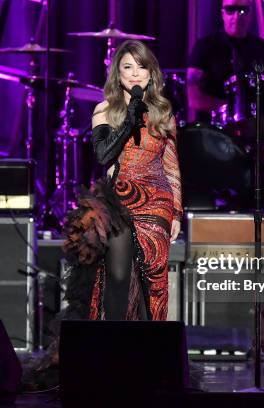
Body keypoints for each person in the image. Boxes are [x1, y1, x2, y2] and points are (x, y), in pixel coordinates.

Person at [63, 40, 182, 321]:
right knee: (117, 276)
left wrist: (176, 211)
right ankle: (115, 349)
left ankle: (148, 352)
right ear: (118, 72)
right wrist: (129, 118)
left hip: (156, 203)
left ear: (151, 73)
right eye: (128, 66)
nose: (134, 73)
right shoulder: (105, 110)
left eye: (141, 67)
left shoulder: (163, 112)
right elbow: (104, 155)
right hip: (118, 204)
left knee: (152, 281)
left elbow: (172, 165)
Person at [187, 0, 264, 210]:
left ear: (251, 14)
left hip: (256, 124)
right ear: (222, 13)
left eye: (243, 10)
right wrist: (225, 108)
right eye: (231, 10)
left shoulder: (261, 48)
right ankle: (238, 200)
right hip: (218, 125)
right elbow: (193, 97)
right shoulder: (205, 46)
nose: (237, 15)